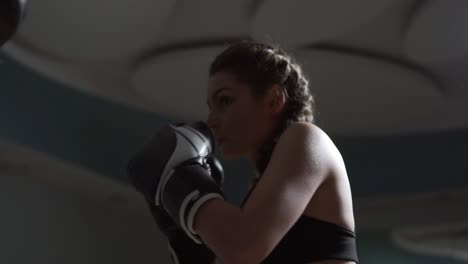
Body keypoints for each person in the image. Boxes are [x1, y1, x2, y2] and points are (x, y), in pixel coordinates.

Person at [128, 40, 358, 264]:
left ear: (274, 99)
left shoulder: (307, 138)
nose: (211, 120)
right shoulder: (255, 202)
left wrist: (181, 180)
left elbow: (243, 249)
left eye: (225, 100)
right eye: (211, 107)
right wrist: (187, 245)